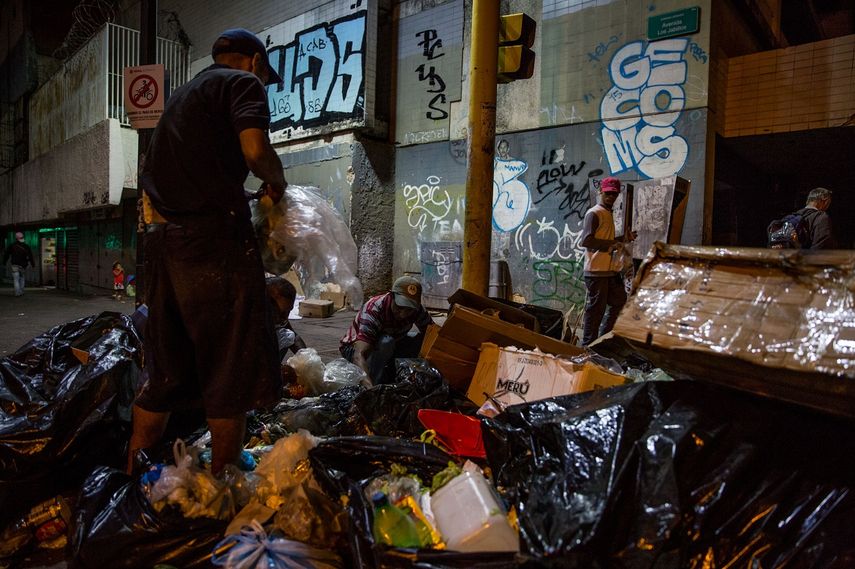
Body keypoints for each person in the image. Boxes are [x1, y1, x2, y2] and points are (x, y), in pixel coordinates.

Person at [127, 28, 287, 476]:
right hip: (213, 245)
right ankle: (224, 486)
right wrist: (277, 180)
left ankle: (130, 480)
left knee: (164, 371)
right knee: (228, 366)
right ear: (254, 60)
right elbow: (256, 152)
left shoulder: (182, 97)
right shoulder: (242, 83)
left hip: (165, 246)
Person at [340, 276, 434, 386]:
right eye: (400, 307)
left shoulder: (417, 310)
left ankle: (390, 374)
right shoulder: (374, 309)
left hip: (391, 343)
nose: (403, 314)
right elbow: (358, 354)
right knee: (386, 342)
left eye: (408, 309)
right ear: (391, 296)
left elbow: (434, 334)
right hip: (355, 349)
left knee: (421, 339)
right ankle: (374, 383)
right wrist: (369, 387)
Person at [580, 177, 636, 346]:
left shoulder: (607, 213)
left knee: (619, 302)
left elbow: (605, 239)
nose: (611, 196)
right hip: (596, 272)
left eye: (614, 193)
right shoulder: (594, 213)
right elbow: (586, 241)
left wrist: (624, 238)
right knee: (596, 311)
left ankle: (602, 341)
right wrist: (612, 244)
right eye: (608, 193)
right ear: (600, 192)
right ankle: (588, 347)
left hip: (608, 271)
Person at [266, 276, 307, 362]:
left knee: (288, 336)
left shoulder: (279, 319)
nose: (285, 318)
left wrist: (308, 360)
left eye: (288, 312)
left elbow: (295, 338)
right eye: (280, 313)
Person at [3, 232, 35, 297]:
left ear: (16, 238)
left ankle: (17, 293)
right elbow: (30, 256)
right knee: (22, 278)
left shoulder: (12, 246)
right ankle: (21, 291)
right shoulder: (26, 246)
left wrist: (4, 262)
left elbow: (6, 254)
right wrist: (33, 264)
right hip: (23, 265)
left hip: (14, 264)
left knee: (16, 279)